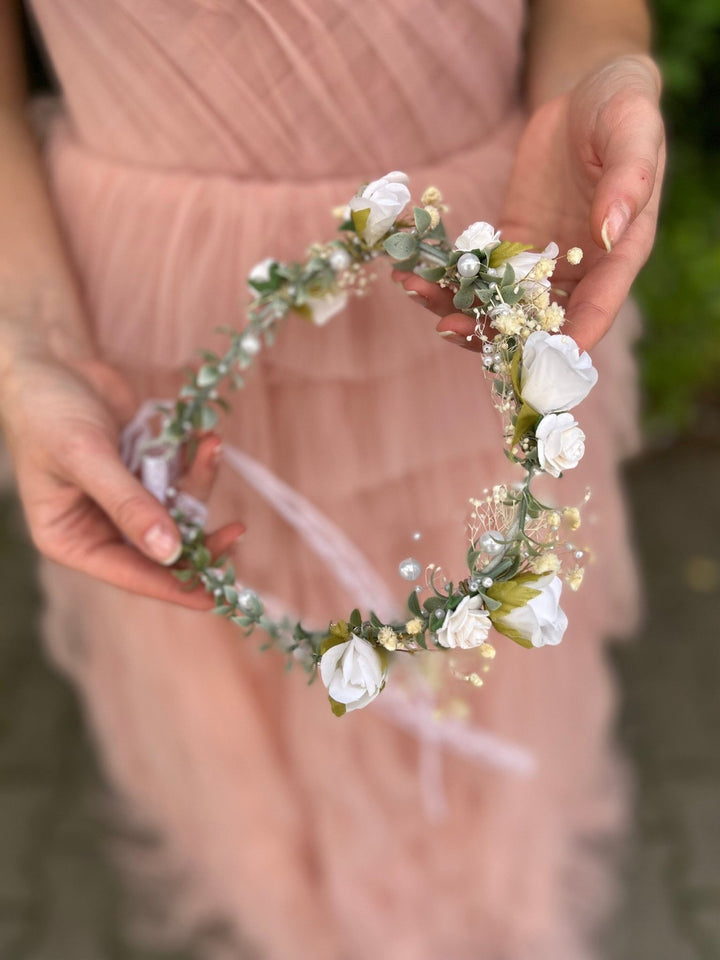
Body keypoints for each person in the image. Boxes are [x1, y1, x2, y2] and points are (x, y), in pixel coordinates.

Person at [0, 1, 664, 958]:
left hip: (488, 261)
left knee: (492, 736)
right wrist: (34, 336)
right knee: (248, 766)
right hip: (144, 312)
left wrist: (595, 72)